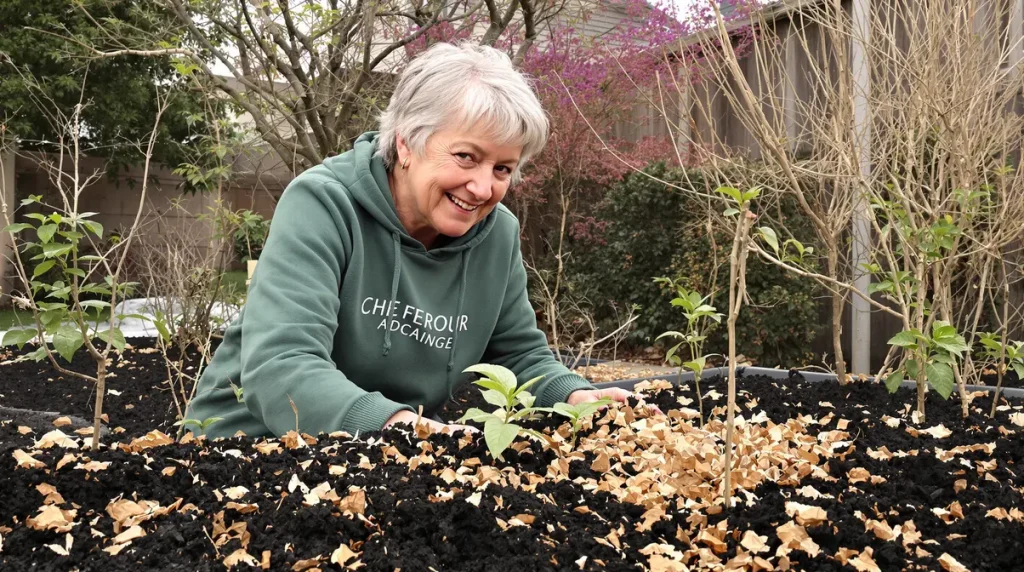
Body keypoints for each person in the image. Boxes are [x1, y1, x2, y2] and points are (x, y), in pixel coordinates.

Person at [185, 42, 637, 439]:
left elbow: (519, 353)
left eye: (502, 168)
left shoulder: (497, 234)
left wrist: (577, 396)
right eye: (466, 157)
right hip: (248, 447)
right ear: (406, 144)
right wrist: (399, 427)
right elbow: (281, 365)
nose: (482, 187)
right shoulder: (323, 204)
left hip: (388, 454)